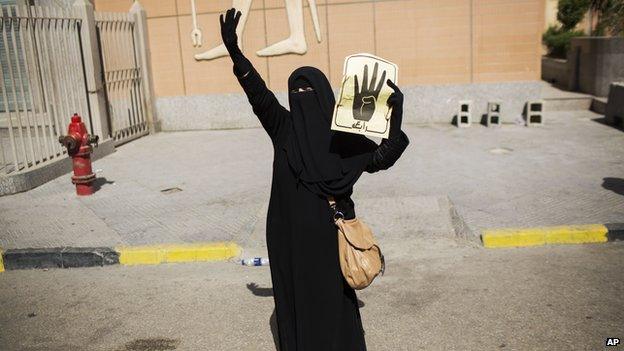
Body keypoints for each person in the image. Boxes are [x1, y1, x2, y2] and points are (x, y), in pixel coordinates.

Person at [218, 8, 409, 351]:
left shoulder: (343, 138)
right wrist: (236, 53)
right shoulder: (284, 129)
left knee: (333, 301)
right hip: (290, 237)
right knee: (296, 297)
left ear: (324, 96)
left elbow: (383, 156)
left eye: (309, 92)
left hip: (329, 236)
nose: (302, 99)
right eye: (296, 93)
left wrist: (395, 115)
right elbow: (258, 96)